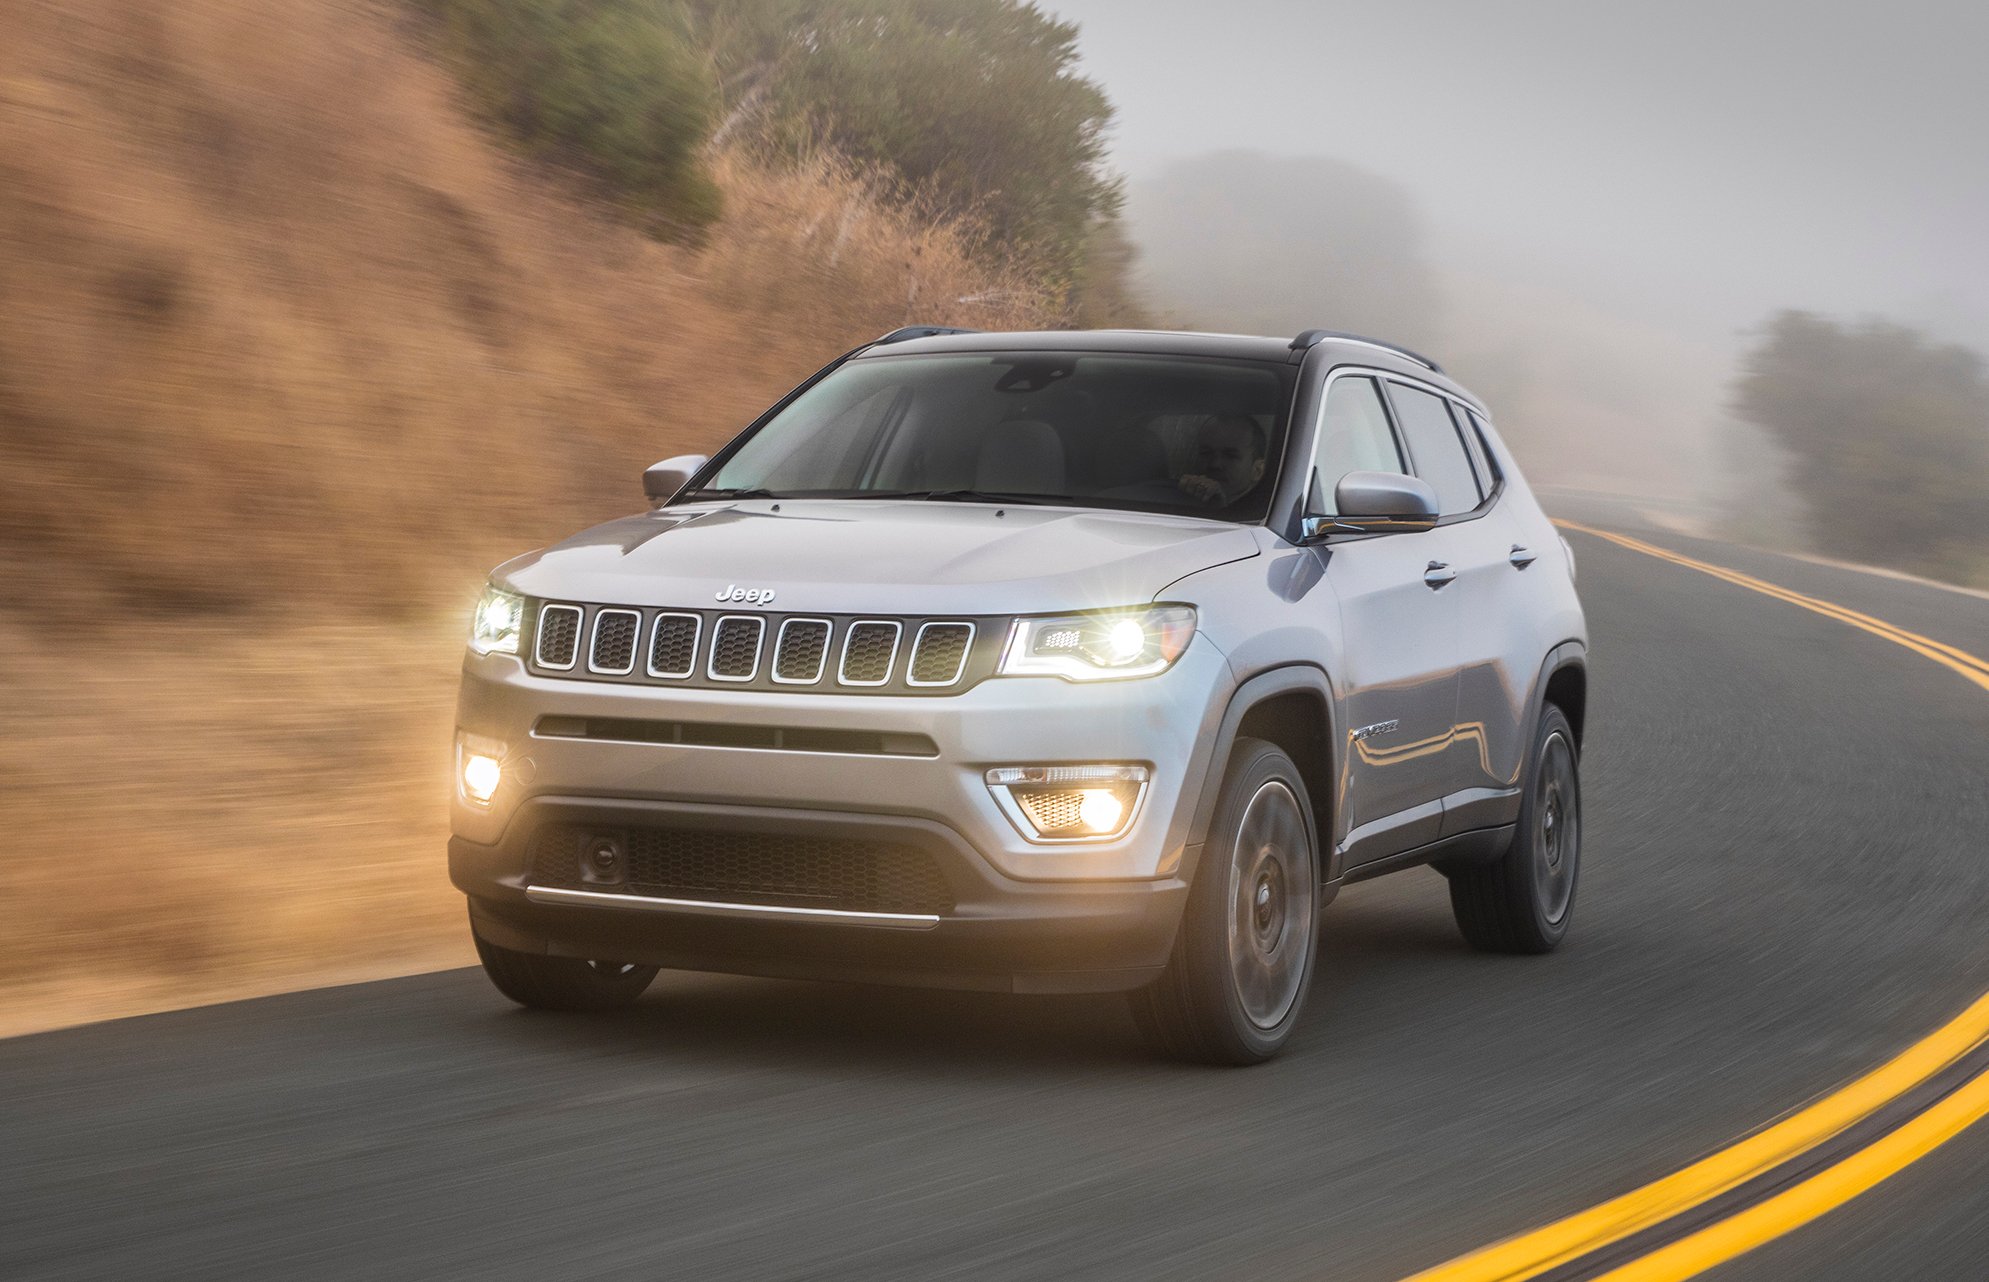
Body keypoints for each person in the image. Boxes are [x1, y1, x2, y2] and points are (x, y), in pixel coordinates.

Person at [1177, 413, 1267, 508]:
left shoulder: (1268, 514)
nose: (1215, 464)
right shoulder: (1177, 501)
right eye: (1206, 453)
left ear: (1258, 470)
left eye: (1230, 456)